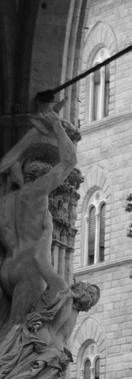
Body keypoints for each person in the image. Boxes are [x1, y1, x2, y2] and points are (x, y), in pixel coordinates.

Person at [0, 107, 81, 332]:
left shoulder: (5, 201)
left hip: (6, 269)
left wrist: (30, 136)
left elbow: (4, 165)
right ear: (41, 177)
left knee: (5, 338)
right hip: (29, 270)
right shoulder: (37, 193)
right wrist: (56, 125)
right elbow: (69, 160)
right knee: (19, 338)